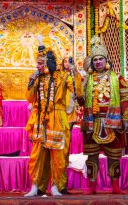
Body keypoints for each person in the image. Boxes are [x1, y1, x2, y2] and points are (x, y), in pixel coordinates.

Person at [24, 38, 84, 197]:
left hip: (58, 117)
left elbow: (78, 93)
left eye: (40, 63)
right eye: (37, 63)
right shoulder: (38, 78)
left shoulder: (63, 77)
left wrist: (74, 74)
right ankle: (36, 187)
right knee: (37, 155)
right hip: (40, 119)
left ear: (49, 63)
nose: (37, 66)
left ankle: (57, 186)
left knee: (58, 155)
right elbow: (30, 98)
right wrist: (31, 82)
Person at [82, 35, 128, 195]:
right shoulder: (87, 79)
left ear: (106, 61)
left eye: (100, 59)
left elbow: (125, 99)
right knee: (92, 156)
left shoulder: (116, 78)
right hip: (92, 122)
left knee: (114, 157)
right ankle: (91, 187)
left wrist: (125, 118)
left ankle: (115, 187)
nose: (98, 62)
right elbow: (80, 99)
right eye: (95, 59)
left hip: (113, 121)